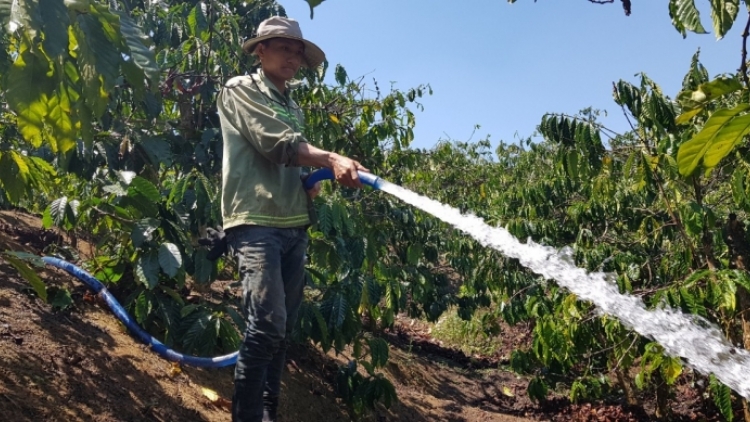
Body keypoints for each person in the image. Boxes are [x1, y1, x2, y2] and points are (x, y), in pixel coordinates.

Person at [216, 16, 369, 422]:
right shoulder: (240, 90)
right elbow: (275, 144)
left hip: (292, 223)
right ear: (260, 50)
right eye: (284, 48)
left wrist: (308, 179)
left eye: (298, 51)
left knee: (281, 333)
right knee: (266, 325)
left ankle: (269, 414)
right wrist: (329, 157)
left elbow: (289, 158)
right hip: (255, 220)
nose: (293, 57)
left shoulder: (291, 104)